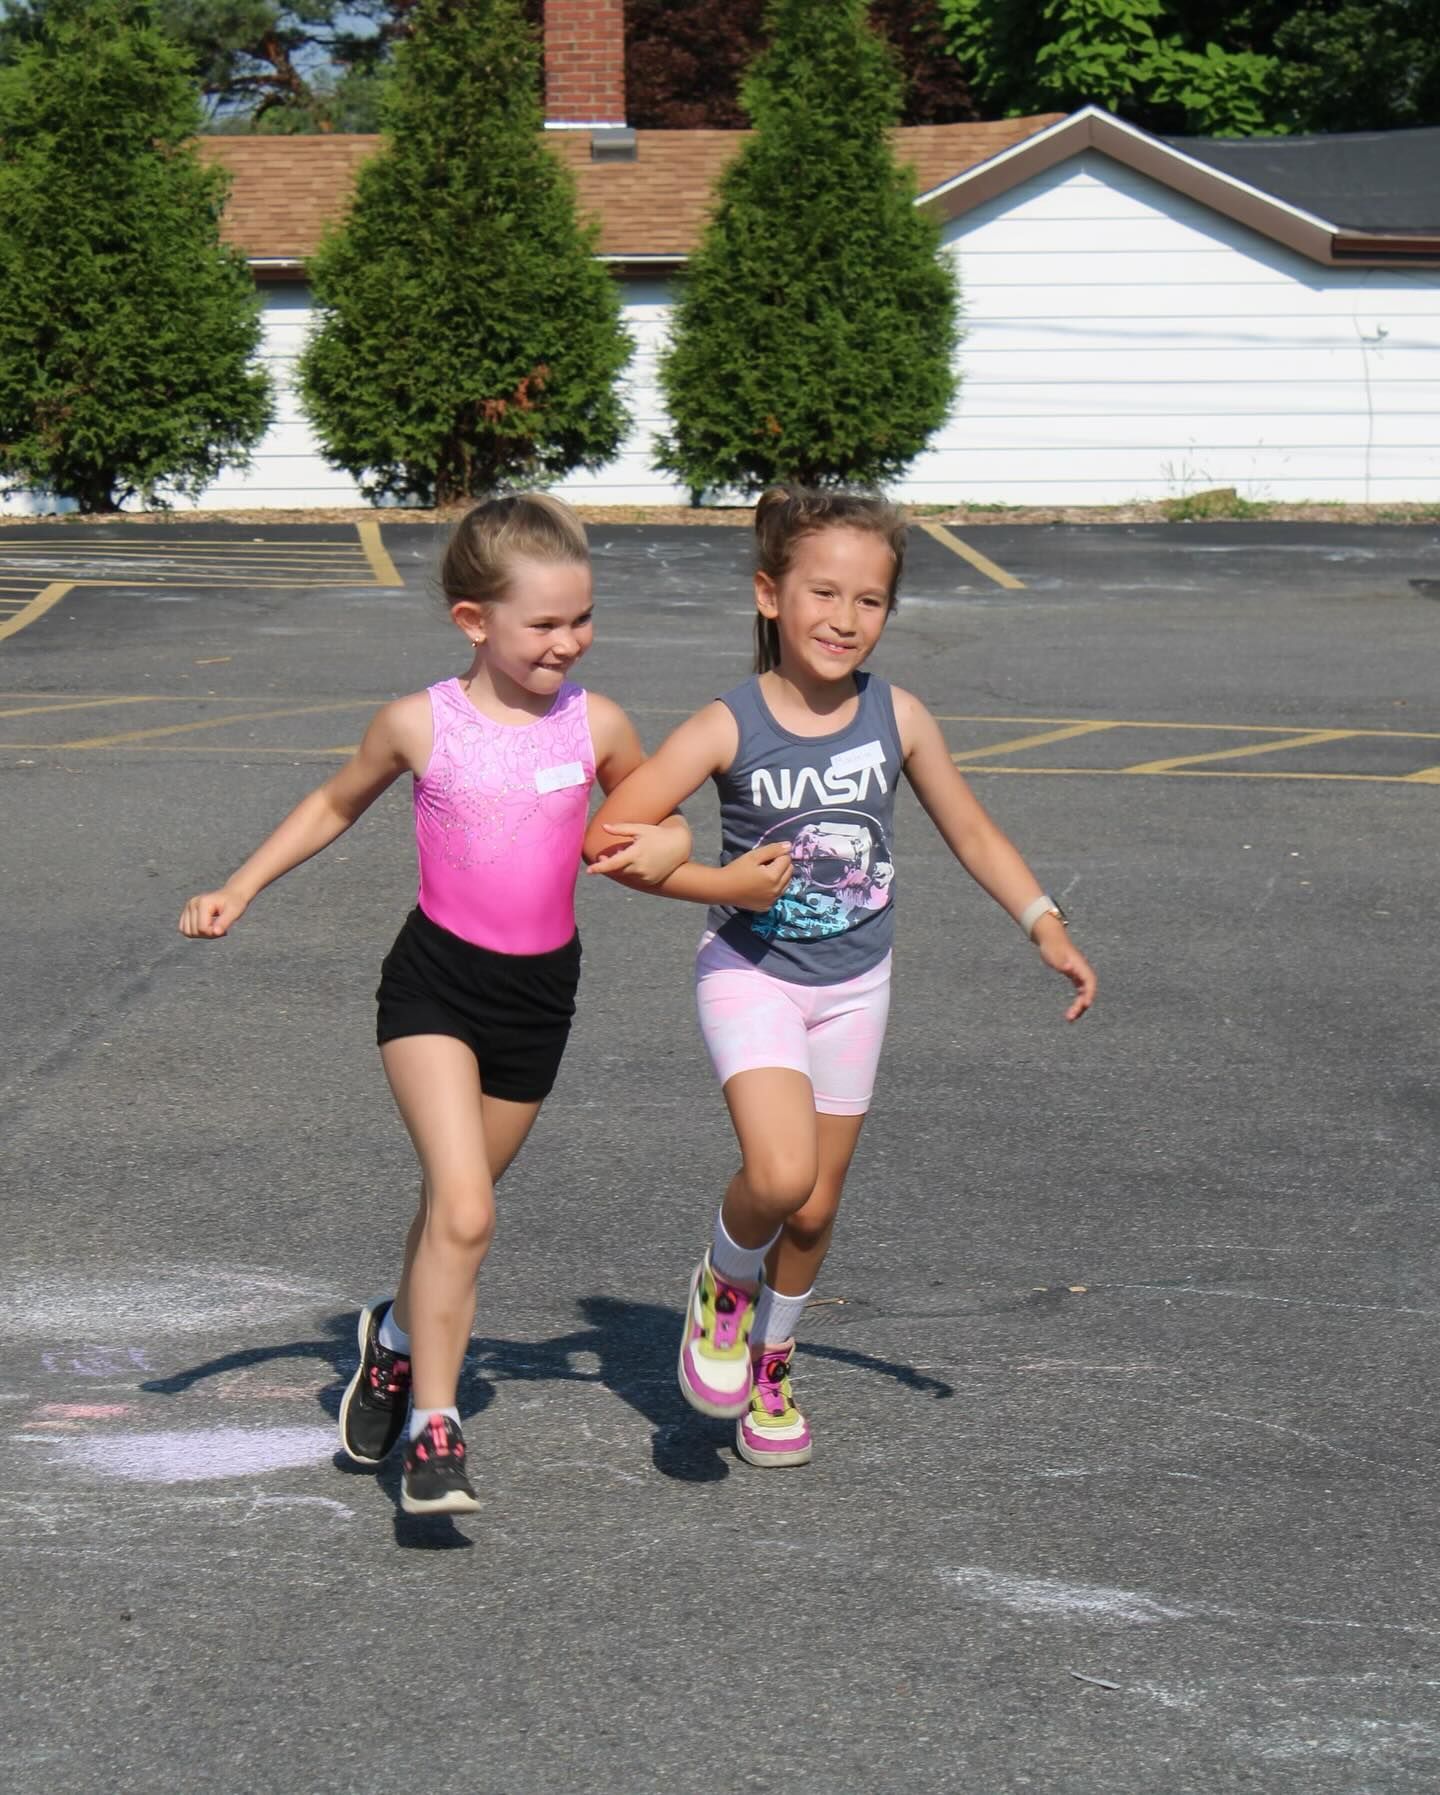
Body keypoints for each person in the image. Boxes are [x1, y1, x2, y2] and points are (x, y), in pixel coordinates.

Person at [177, 496, 775, 1516]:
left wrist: (703, 869)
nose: (567, 642)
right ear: (473, 621)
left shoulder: (601, 724)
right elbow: (333, 801)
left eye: (580, 619)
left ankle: (395, 1347)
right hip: (434, 984)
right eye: (543, 624)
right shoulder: (422, 723)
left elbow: (648, 826)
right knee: (466, 1208)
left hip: (539, 998)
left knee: (452, 1218)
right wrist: (242, 883)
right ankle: (434, 1434)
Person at [584, 487, 1097, 1468]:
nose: (845, 619)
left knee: (816, 1209)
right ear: (770, 595)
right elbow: (610, 838)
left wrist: (1044, 922)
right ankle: (723, 1287)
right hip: (753, 975)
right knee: (780, 1176)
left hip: (857, 985)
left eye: (870, 601)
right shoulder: (726, 724)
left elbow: (973, 830)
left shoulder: (896, 716)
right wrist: (714, 878)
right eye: (824, 593)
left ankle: (773, 1360)